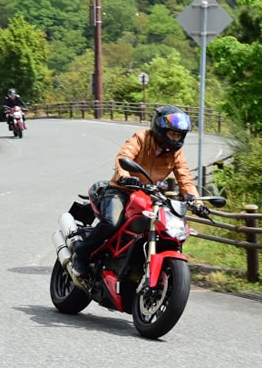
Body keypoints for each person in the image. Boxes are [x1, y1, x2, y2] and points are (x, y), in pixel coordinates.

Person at [72, 105, 200, 278]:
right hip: (121, 189)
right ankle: (82, 253)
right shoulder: (141, 138)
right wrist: (125, 176)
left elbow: (185, 178)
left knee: (165, 228)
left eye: (178, 134)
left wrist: (196, 202)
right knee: (112, 222)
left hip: (148, 195)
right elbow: (123, 157)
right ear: (160, 130)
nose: (175, 138)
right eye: (172, 133)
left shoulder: (176, 153)